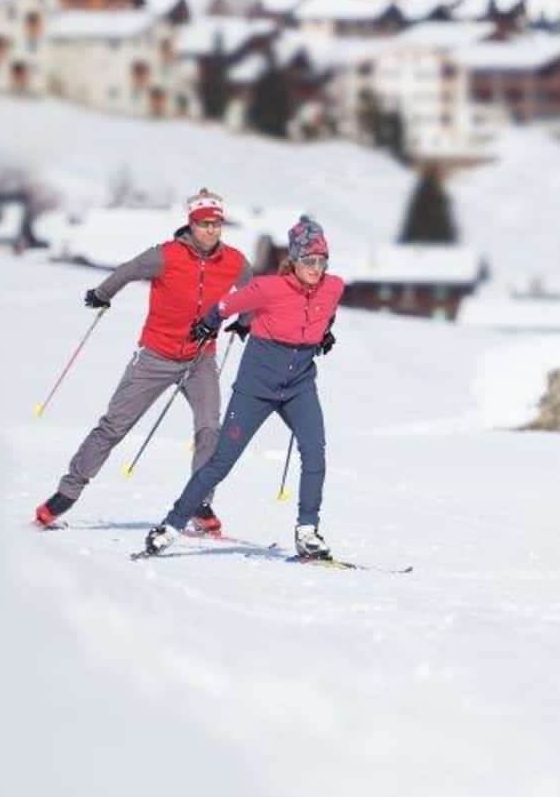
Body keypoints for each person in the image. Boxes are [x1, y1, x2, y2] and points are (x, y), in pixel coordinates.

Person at [34, 188, 253, 532]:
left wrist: (245, 321)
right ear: (191, 224)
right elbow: (128, 270)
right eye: (204, 223)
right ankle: (66, 493)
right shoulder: (165, 255)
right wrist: (102, 294)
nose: (211, 230)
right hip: (155, 356)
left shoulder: (235, 261)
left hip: (201, 361)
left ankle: (200, 503)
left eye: (216, 224)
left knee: (210, 429)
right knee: (113, 426)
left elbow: (251, 290)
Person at [142, 214, 342, 560]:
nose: (316, 267)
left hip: (299, 387)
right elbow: (224, 306)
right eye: (308, 260)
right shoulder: (268, 288)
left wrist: (324, 332)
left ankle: (307, 530)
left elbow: (328, 309)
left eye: (322, 260)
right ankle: (170, 526)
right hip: (256, 389)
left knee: (315, 451)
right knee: (221, 461)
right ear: (293, 260)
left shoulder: (334, 286)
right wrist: (208, 324)